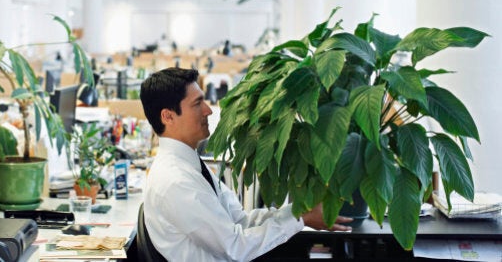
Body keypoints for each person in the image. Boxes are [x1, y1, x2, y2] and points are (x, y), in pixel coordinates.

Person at [139, 67, 353, 261]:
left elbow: (239, 221)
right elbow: (236, 246)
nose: (208, 110)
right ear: (168, 116)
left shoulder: (189, 165)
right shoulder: (176, 181)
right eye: (197, 104)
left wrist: (299, 213)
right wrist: (300, 219)